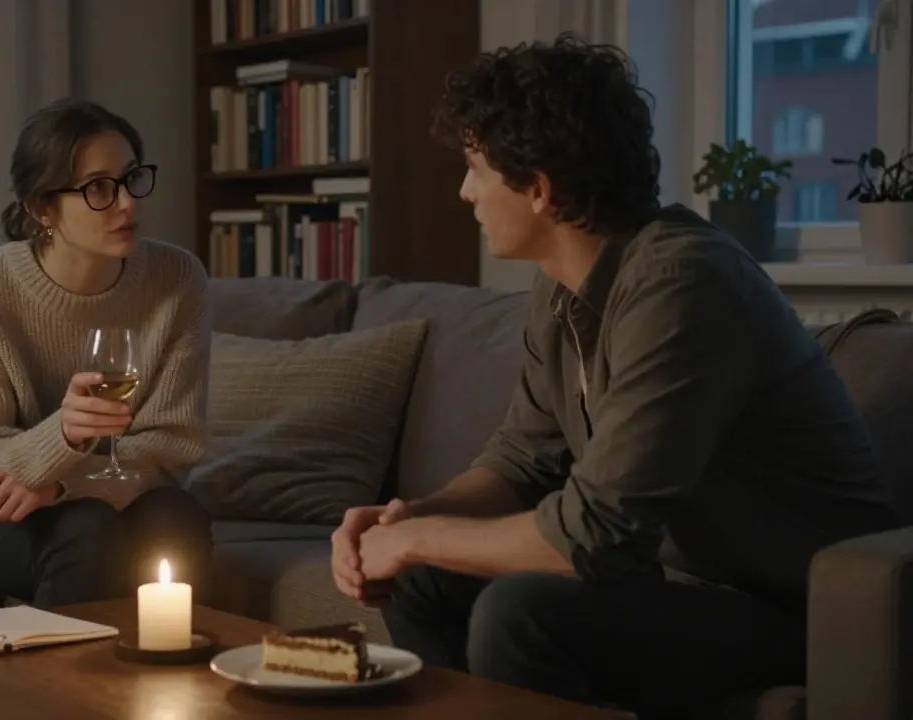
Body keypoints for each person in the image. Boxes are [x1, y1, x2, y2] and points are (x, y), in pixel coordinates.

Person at [330, 34, 903, 717]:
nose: (464, 191)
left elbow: (594, 536)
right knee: (423, 581)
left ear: (538, 189)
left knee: (520, 613)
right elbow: (522, 459)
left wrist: (415, 539)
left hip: (796, 608)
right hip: (677, 585)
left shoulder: (684, 285)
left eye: (476, 168)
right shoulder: (560, 289)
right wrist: (410, 519)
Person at [0, 98, 213, 607]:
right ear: (43, 208)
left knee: (176, 517)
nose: (127, 204)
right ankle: (62, 686)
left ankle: (174, 681)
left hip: (90, 496)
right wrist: (63, 435)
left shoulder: (177, 281)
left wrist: (64, 486)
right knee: (85, 531)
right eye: (98, 189)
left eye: (131, 179)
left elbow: (173, 445)